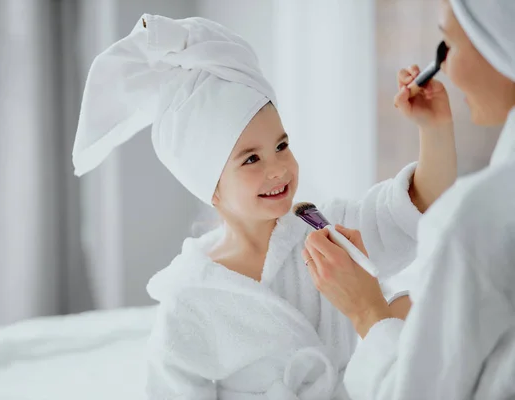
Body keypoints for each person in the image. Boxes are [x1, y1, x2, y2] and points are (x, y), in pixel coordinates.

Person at [72, 14, 457, 399]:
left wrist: (433, 129)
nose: (277, 169)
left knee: (406, 306)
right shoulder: (190, 298)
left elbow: (417, 208)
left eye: (281, 146)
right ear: (211, 187)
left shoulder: (326, 228)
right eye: (251, 160)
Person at [302, 0, 515, 399]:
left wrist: (368, 312)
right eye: (249, 157)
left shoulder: (478, 221)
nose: (444, 67)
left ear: (499, 42)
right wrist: (435, 133)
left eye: (447, 43)